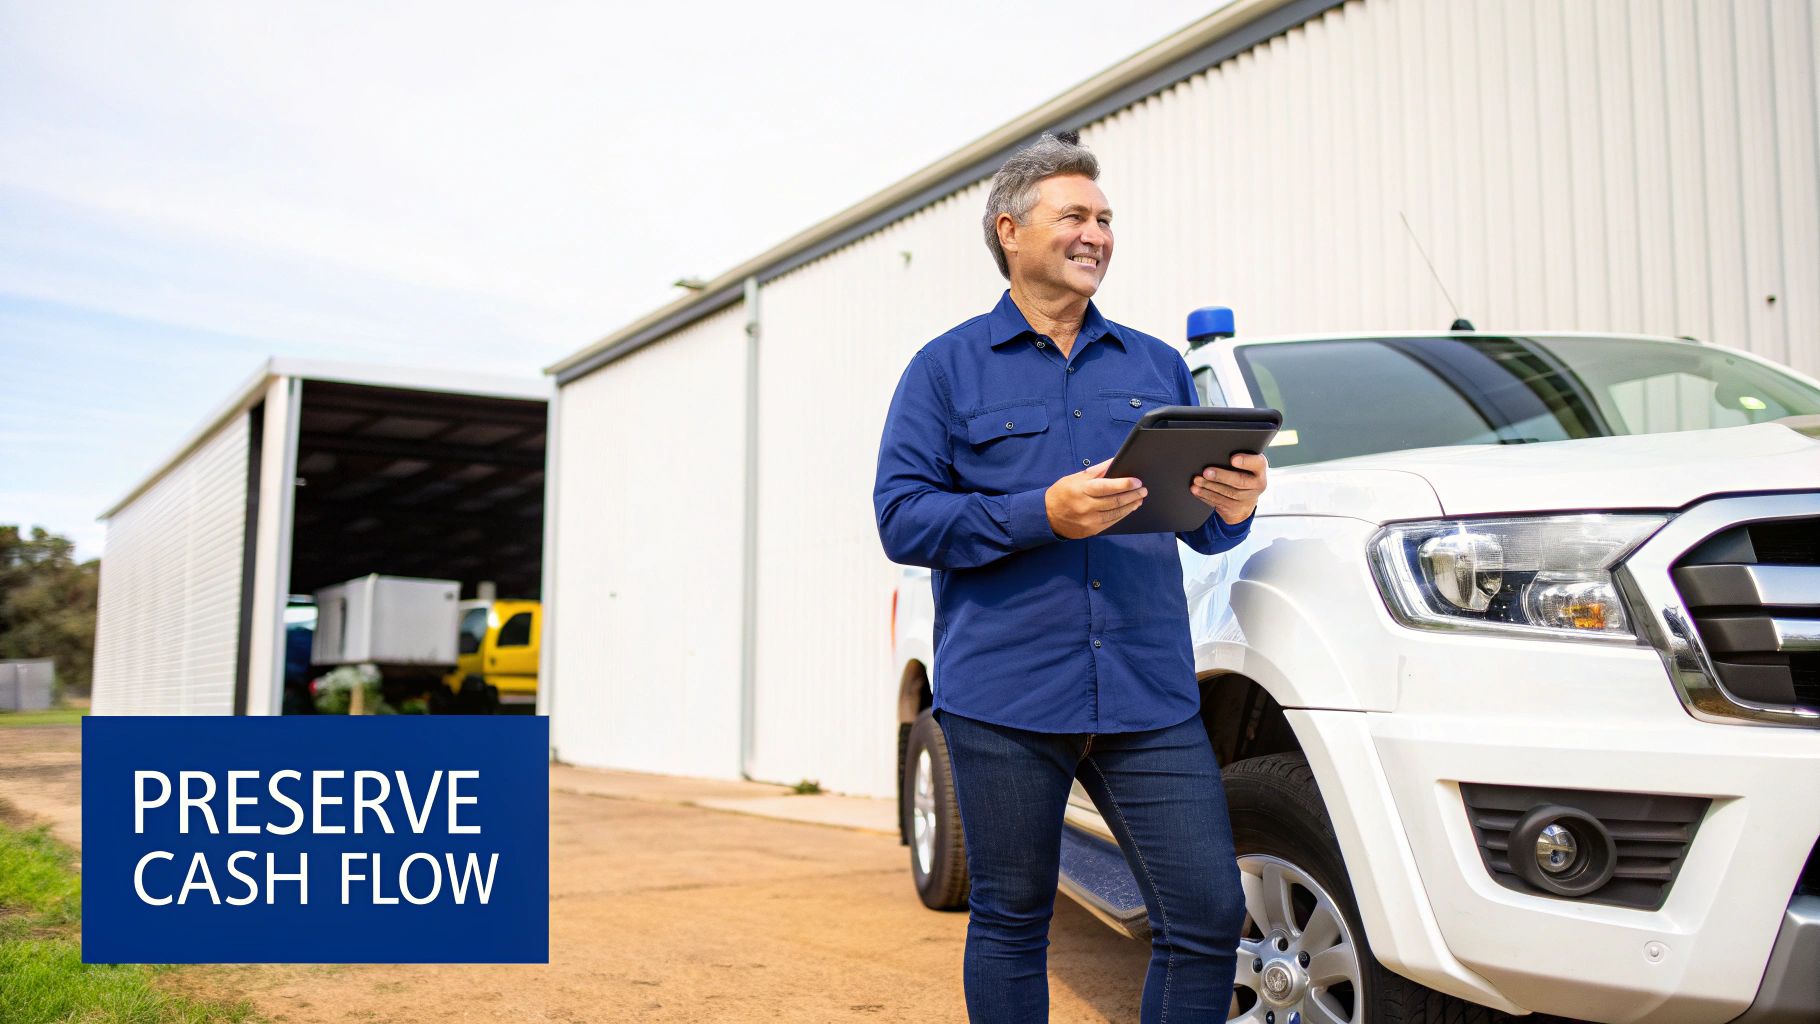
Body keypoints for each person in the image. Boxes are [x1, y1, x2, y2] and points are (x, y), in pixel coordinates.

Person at [872, 131, 1269, 1022]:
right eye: (1074, 216)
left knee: (1206, 913)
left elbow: (1202, 531)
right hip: (1005, 691)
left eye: (1104, 218)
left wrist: (1232, 504)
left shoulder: (1156, 365)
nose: (1095, 234)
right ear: (1009, 230)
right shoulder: (943, 369)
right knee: (1013, 919)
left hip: (1148, 692)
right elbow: (901, 517)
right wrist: (1037, 515)